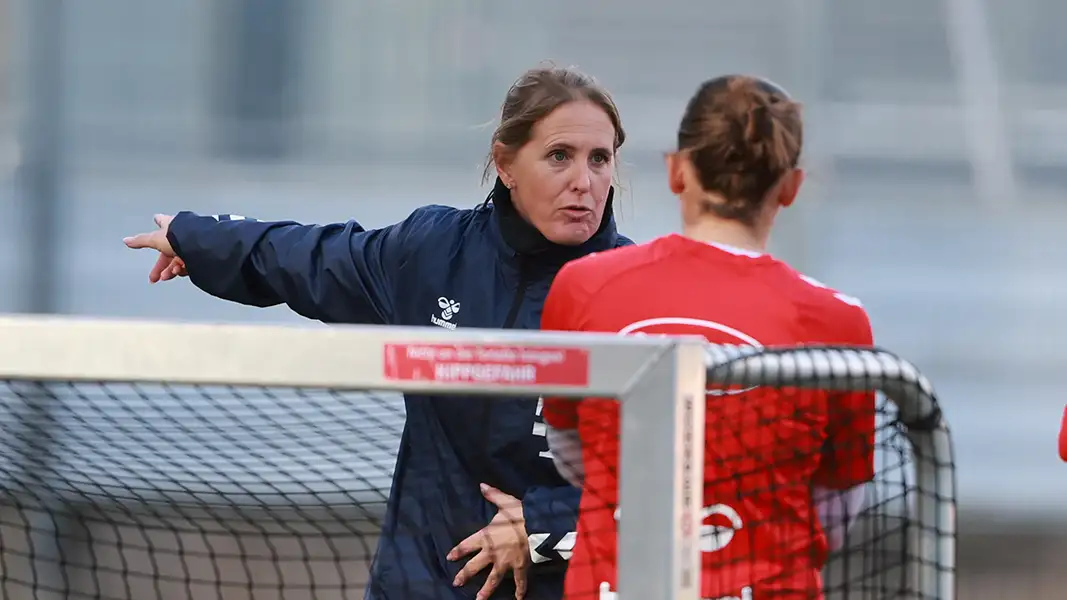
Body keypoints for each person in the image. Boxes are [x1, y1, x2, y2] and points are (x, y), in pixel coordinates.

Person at [122, 65, 633, 600]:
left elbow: (670, 485)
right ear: (505, 163)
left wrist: (543, 527)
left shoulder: (634, 295)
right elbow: (314, 258)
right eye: (559, 156)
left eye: (600, 159)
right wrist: (198, 239)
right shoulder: (435, 250)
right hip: (419, 583)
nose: (584, 181)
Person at [539, 75, 874, 600]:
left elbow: (568, 449)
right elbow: (835, 508)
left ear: (677, 171)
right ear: (790, 187)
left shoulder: (583, 287)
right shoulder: (840, 322)